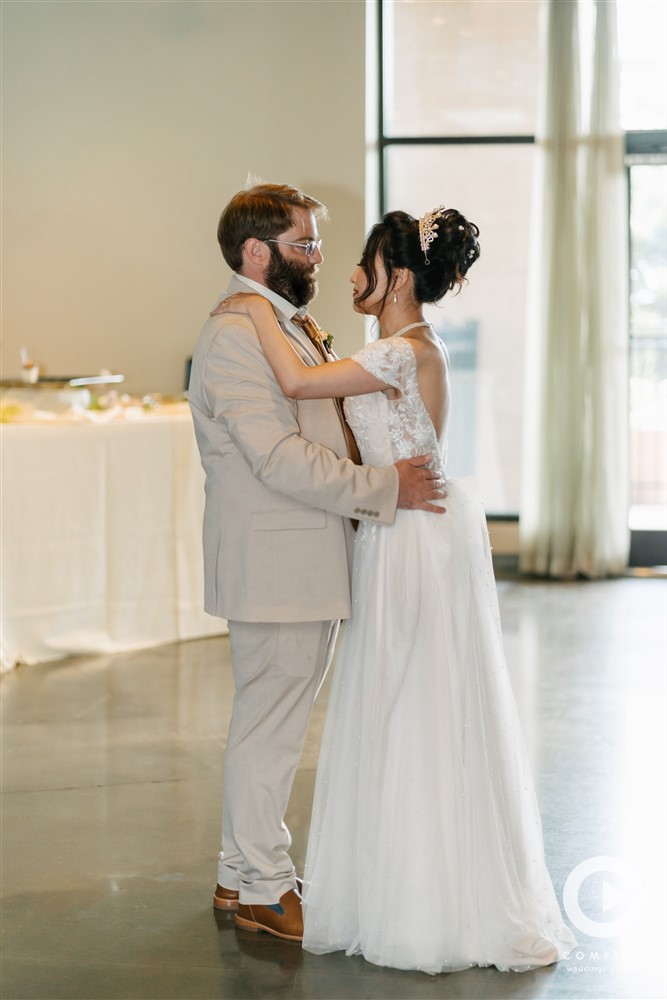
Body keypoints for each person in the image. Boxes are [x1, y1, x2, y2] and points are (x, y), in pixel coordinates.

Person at [216, 205, 577, 973]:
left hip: (406, 532)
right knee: (407, 695)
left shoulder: (394, 351)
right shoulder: (400, 345)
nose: (340, 269)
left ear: (399, 276)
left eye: (359, 259)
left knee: (409, 698)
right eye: (310, 245)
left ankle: (412, 890)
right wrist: (251, 308)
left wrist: (249, 307)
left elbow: (295, 383)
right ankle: (302, 878)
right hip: (397, 527)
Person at [187, 183, 445, 944]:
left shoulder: (275, 321)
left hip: (303, 556)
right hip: (276, 561)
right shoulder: (239, 330)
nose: (318, 258)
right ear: (255, 252)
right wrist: (382, 489)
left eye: (318, 244)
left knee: (270, 720)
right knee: (269, 726)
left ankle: (239, 874)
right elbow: (273, 456)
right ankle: (267, 887)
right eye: (303, 245)